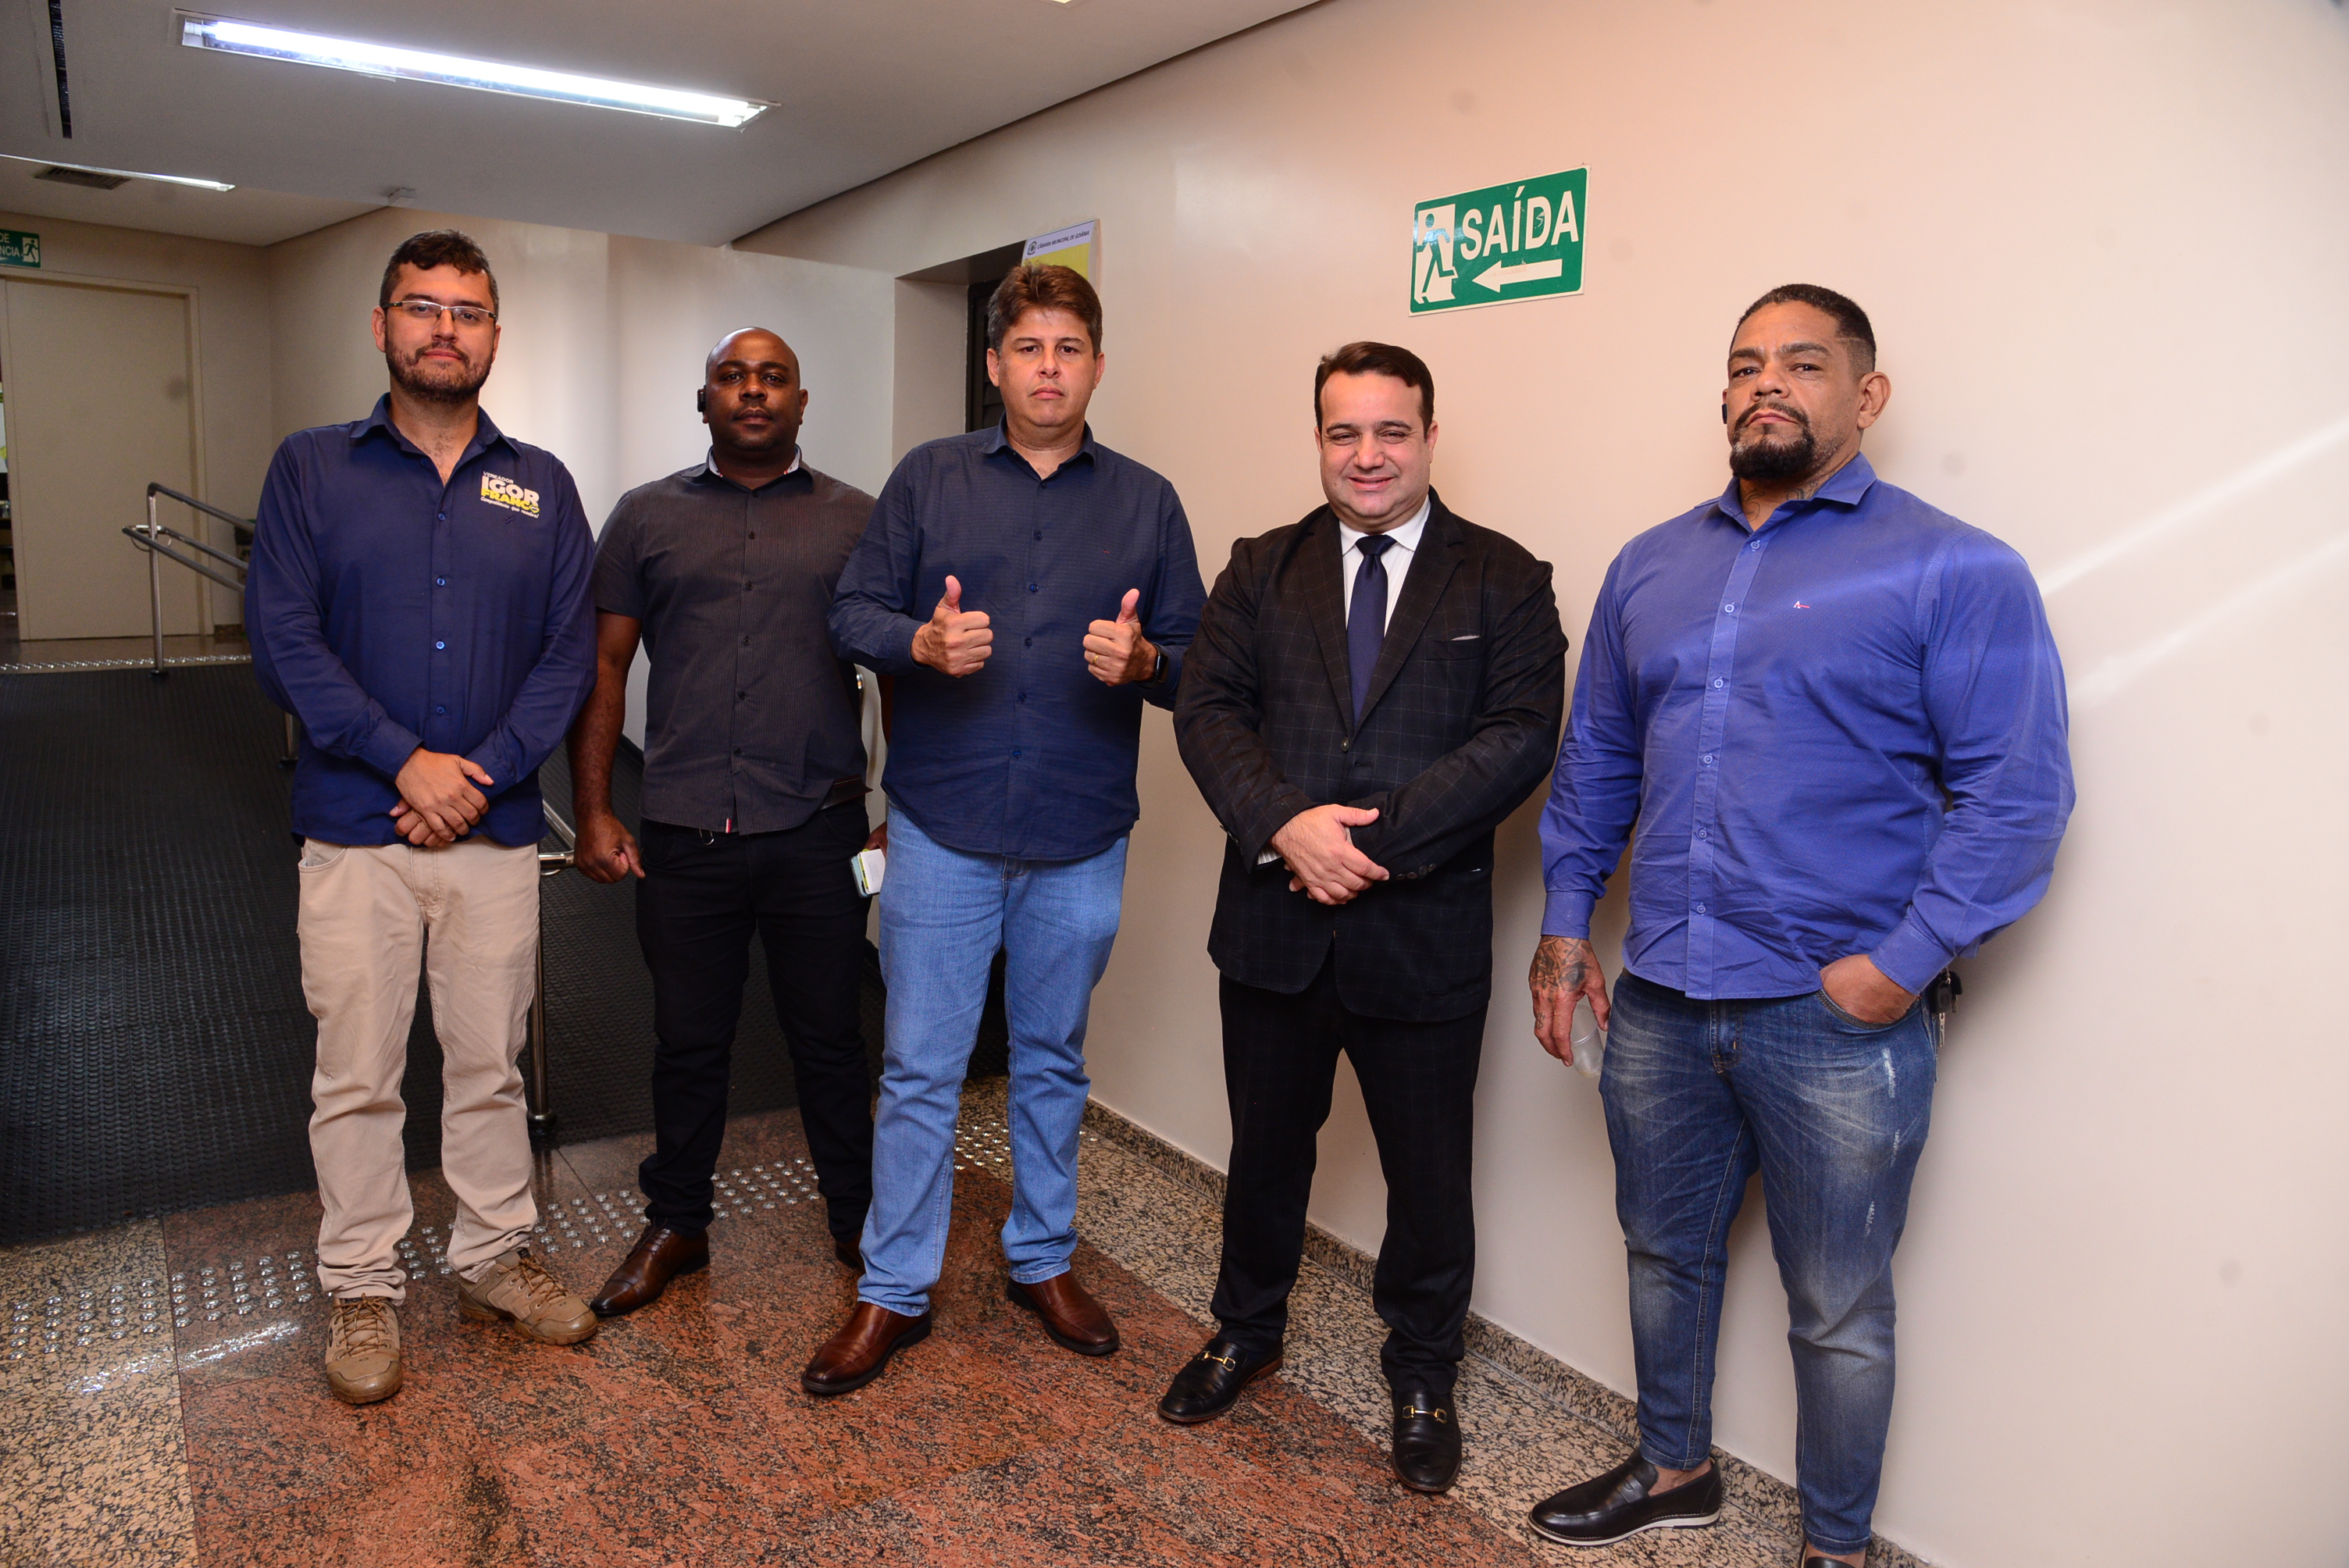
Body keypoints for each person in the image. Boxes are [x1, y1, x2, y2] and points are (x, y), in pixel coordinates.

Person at [1523, 285, 2073, 1563]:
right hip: (1660, 993)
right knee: (1662, 1253)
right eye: (1743, 363)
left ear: (1865, 396)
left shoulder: (1956, 566)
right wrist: (1565, 925)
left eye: (1803, 363)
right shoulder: (1648, 565)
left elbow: (2016, 792)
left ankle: (1833, 1544)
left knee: (1836, 1305)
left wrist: (1898, 966)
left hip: (1835, 1021)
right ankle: (1674, 1468)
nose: (1765, 382)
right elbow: (1597, 759)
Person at [1164, 342, 1567, 1494]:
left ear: (1430, 438)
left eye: (1392, 431)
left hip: (1420, 940)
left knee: (1429, 1180)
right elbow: (1208, 710)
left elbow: (1519, 737)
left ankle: (1424, 1372)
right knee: (1263, 1156)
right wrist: (1284, 825)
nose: (1368, 454)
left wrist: (1358, 848)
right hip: (1273, 934)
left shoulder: (1503, 577)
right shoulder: (1259, 567)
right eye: (1344, 432)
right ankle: (1245, 1330)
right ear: (1318, 440)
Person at [807, 264, 1206, 1395]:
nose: (1048, 368)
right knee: (919, 1069)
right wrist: (918, 646)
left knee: (1052, 1061)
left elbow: (1201, 666)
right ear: (994, 364)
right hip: (943, 826)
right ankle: (893, 1288)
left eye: (1068, 349)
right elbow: (850, 613)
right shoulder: (928, 478)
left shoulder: (1148, 503)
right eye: (1028, 348)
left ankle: (1042, 1259)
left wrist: (1150, 662)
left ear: (1097, 365)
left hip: (1080, 832)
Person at [246, 230, 601, 1406]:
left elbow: (567, 658)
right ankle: (361, 1283)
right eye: (422, 307)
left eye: (468, 311)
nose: (445, 330)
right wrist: (407, 762)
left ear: (495, 335)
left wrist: (478, 775)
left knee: (491, 1063)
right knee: (356, 1072)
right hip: (357, 831)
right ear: (382, 325)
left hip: (492, 835)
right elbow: (284, 641)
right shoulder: (311, 469)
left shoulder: (542, 486)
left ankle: (495, 1256)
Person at [568, 328, 885, 1317]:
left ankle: (857, 1215)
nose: (752, 391)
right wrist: (592, 808)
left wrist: (899, 816)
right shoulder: (644, 516)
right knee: (688, 1042)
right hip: (684, 829)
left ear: (801, 401)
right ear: (703, 398)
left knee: (831, 1038)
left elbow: (903, 673)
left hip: (818, 829)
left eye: (772, 377)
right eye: (731, 377)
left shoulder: (858, 521)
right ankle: (678, 1223)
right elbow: (603, 666)